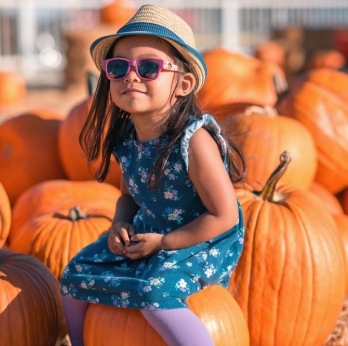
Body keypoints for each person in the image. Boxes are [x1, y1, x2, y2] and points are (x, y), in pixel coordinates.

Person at [60, 4, 246, 346]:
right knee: (75, 275)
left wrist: (165, 243)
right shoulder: (127, 140)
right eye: (118, 67)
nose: (131, 76)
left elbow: (225, 216)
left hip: (201, 239)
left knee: (152, 290)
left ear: (183, 84)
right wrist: (120, 224)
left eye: (148, 67)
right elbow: (128, 197)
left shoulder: (195, 142)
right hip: (151, 233)